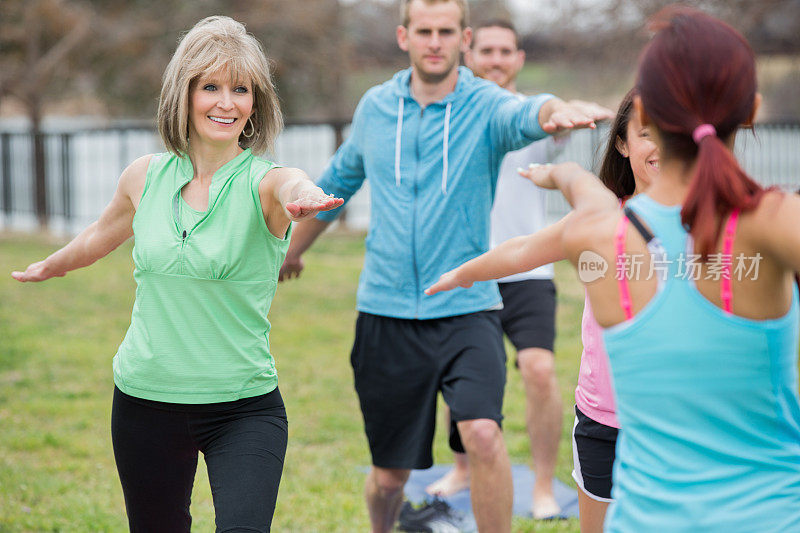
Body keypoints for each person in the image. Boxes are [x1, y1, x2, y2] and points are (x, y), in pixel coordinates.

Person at [278, 1, 612, 531]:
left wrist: (555, 109)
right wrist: (294, 249)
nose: (435, 41)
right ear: (403, 36)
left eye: (446, 32)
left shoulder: (484, 105)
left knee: (482, 432)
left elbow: (526, 113)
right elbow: (339, 182)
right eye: (425, 31)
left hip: (466, 308)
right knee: (389, 476)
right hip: (386, 313)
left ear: (464, 38)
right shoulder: (375, 107)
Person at [11, 16, 343, 532]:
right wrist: (50, 266)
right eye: (210, 87)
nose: (226, 102)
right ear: (182, 94)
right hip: (144, 401)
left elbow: (290, 183)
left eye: (241, 89)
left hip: (243, 407)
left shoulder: (263, 183)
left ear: (257, 102)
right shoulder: (145, 176)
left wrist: (305, 196)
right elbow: (100, 234)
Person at [519, 7, 800, 531]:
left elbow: (570, 198)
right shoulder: (770, 219)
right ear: (753, 110)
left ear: (654, 112)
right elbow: (547, 229)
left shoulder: (757, 224)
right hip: (611, 431)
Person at [426, 88, 657, 533]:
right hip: (604, 418)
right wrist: (464, 273)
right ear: (623, 144)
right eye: (646, 134)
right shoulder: (600, 220)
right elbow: (523, 250)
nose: (659, 147)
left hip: (676, 416)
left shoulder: (707, 222)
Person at [423, 19, 566, 520]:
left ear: (519, 59)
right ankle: (462, 468)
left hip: (529, 271)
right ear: (469, 52)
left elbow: (554, 123)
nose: (497, 59)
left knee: (540, 369)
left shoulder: (534, 120)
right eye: (487, 50)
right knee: (458, 375)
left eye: (507, 51)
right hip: (467, 267)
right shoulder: (449, 117)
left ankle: (545, 485)